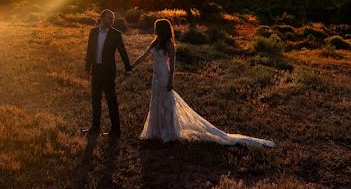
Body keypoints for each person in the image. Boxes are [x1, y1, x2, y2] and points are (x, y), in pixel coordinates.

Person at [130, 18, 274, 146]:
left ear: (161, 29)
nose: (154, 29)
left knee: (166, 103)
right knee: (155, 101)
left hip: (163, 75)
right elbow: (143, 56)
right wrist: (131, 66)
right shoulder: (155, 41)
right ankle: (156, 131)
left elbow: (173, 65)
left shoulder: (169, 44)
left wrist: (170, 81)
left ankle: (169, 133)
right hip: (155, 77)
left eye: (156, 27)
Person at [84, 9, 131, 137]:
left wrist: (128, 67)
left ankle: (116, 130)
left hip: (108, 72)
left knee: (111, 100)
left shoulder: (115, 34)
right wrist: (87, 68)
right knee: (95, 99)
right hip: (96, 70)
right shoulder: (93, 32)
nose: (112, 20)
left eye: (113, 18)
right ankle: (95, 128)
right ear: (102, 18)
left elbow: (122, 51)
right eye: (110, 18)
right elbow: (90, 51)